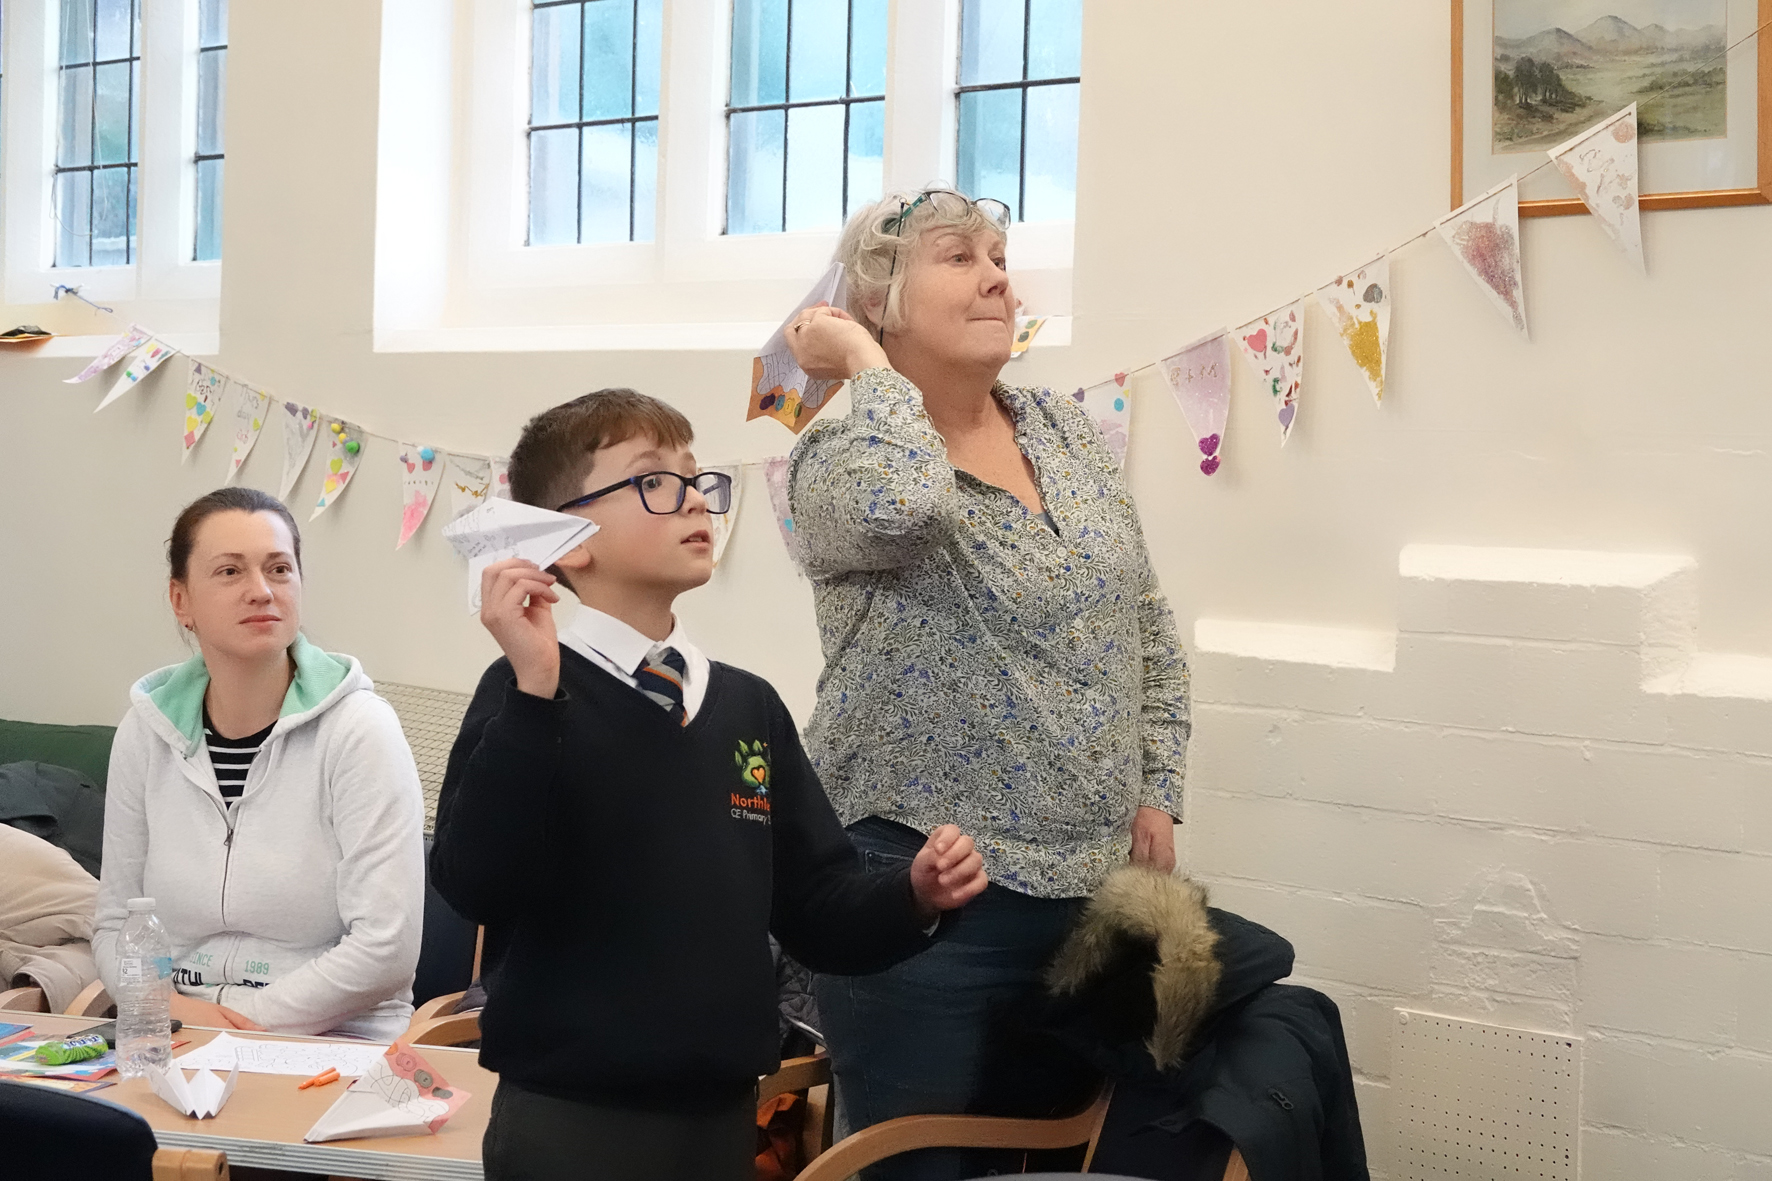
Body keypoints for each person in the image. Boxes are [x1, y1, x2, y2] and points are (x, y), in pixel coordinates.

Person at [429, 388, 990, 1181]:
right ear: (570, 541)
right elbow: (476, 880)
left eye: (699, 479)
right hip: (569, 1124)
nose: (695, 498)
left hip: (723, 1121)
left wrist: (913, 895)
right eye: (655, 480)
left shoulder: (747, 705)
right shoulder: (525, 691)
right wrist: (533, 691)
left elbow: (817, 904)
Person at [783, 188, 1193, 1179]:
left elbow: (1141, 618)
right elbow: (904, 501)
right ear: (878, 299)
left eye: (999, 255)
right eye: (958, 256)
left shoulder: (1060, 430)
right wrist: (866, 369)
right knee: (912, 1162)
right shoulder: (836, 458)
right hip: (924, 899)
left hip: (1090, 892)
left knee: (1065, 1155)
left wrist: (1155, 784)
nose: (998, 275)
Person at [93, 487, 426, 1041]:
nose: (261, 591)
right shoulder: (144, 734)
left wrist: (239, 1026)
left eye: (279, 569)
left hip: (331, 1041)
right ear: (181, 600)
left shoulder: (360, 729)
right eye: (229, 572)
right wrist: (166, 1006)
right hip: (174, 1031)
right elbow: (115, 925)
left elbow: (386, 947)